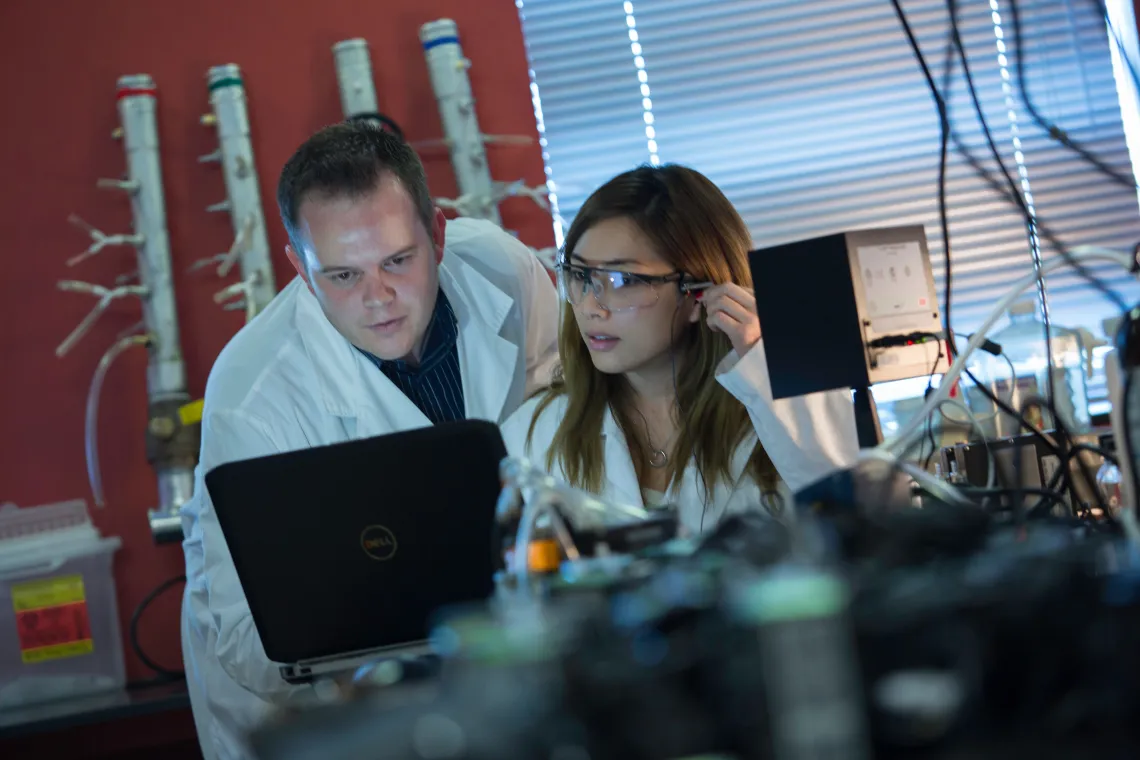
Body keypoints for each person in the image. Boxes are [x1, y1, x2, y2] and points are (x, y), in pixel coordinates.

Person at [180, 121, 559, 760]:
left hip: (508, 673)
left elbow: (565, 440)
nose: (378, 299)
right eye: (342, 276)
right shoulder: (253, 398)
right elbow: (248, 641)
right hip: (325, 719)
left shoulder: (507, 274)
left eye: (397, 261)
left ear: (438, 233)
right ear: (299, 267)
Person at [500, 164, 859, 535]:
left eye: (622, 280)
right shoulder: (534, 432)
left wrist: (762, 359)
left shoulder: (786, 400)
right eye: (579, 275)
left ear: (697, 293)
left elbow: (864, 522)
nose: (592, 306)